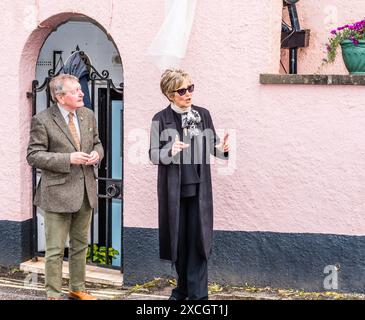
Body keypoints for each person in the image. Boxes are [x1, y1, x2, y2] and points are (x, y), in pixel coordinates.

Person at [149, 69, 229, 300]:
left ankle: (198, 297)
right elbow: (153, 154)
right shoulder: (160, 118)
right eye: (182, 90)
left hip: (199, 189)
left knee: (198, 242)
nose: (188, 94)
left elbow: (215, 149)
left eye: (191, 88)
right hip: (174, 191)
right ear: (169, 94)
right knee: (179, 243)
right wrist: (169, 150)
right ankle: (182, 289)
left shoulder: (203, 115)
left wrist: (222, 150)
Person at [27, 74, 104, 300]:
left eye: (80, 89)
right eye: (76, 91)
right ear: (60, 97)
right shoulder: (42, 120)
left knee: (81, 245)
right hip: (57, 194)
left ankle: (77, 288)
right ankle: (53, 294)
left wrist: (96, 155)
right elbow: (34, 155)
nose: (82, 93)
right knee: (55, 250)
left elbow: (98, 142)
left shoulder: (88, 115)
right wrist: (68, 158)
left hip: (85, 192)